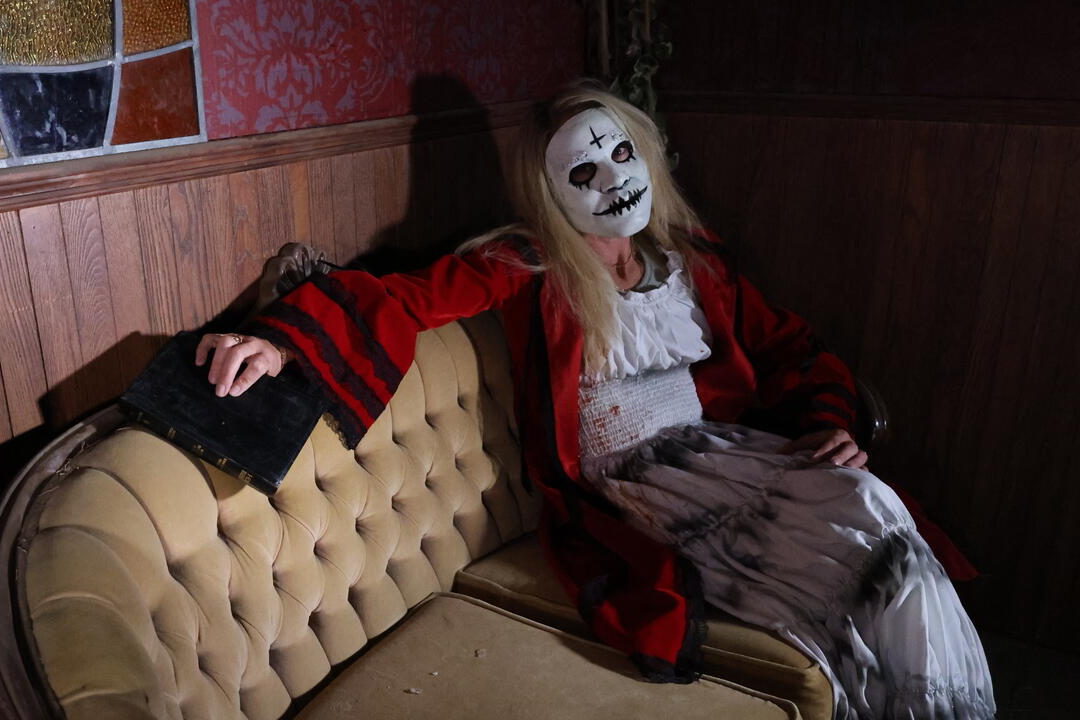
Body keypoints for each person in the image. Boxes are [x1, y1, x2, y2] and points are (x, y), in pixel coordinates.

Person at [195, 82, 995, 719]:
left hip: (731, 453)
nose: (613, 180)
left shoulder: (690, 263)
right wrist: (285, 336)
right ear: (549, 192)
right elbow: (410, 295)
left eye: (621, 153)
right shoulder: (530, 265)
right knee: (852, 566)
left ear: (648, 154)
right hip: (643, 486)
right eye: (584, 171)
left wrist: (829, 423)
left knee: (880, 516)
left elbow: (788, 344)